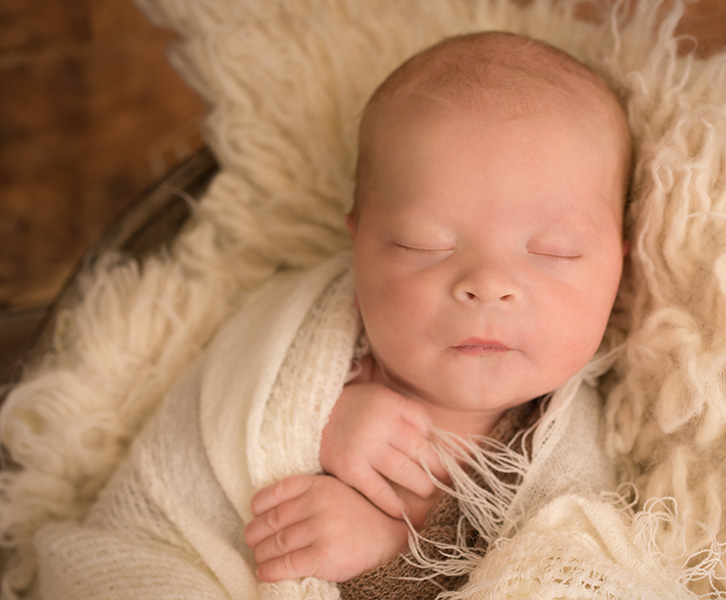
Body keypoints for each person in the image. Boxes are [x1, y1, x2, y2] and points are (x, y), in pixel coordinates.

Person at [243, 30, 633, 585]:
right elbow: (225, 412)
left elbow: (559, 576)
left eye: (555, 251)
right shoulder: (306, 338)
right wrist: (312, 417)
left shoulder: (569, 463)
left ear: (619, 267)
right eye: (424, 245)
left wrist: (390, 546)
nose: (488, 285)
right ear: (358, 248)